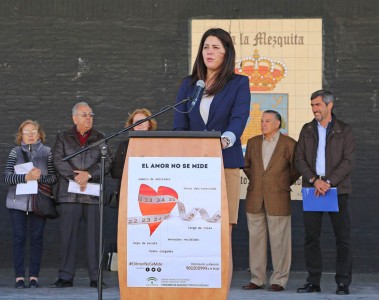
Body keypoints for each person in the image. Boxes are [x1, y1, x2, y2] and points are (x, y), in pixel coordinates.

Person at [173, 28, 251, 289]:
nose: (210, 51)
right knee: (191, 226)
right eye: (206, 46)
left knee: (221, 231)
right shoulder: (189, 84)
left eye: (216, 47)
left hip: (224, 164)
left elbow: (239, 118)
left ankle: (220, 290)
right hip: (192, 167)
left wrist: (225, 140)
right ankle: (193, 285)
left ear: (226, 52)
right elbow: (179, 124)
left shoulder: (239, 83)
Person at [295, 90, 355, 295]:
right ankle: (313, 282)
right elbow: (299, 159)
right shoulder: (307, 129)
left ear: (330, 106)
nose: (314, 109)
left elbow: (348, 161)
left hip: (336, 190)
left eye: (318, 105)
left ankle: (343, 283)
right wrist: (315, 180)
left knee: (342, 238)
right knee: (311, 237)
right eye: (312, 105)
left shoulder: (343, 130)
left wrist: (328, 182)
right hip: (313, 189)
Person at [50, 102, 112, 288]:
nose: (88, 118)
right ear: (74, 118)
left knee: (95, 238)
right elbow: (57, 160)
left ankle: (96, 277)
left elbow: (107, 162)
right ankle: (65, 277)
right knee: (68, 237)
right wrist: (76, 177)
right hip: (69, 194)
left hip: (92, 195)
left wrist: (89, 174)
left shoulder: (100, 138)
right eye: (84, 115)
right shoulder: (63, 137)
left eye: (91, 115)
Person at [242, 110, 300, 292]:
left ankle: (279, 280)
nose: (263, 124)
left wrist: (281, 183)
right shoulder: (252, 142)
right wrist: (260, 182)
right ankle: (257, 279)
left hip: (278, 197)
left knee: (280, 241)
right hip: (255, 197)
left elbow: (295, 170)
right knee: (256, 241)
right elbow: (247, 167)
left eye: (267, 121)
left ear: (277, 124)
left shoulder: (289, 144)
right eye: (262, 121)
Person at [3, 120, 57, 288]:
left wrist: (40, 177)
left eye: (34, 131)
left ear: (39, 134)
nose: (31, 135)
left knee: (36, 239)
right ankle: (19, 277)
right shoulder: (15, 152)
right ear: (21, 136)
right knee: (19, 239)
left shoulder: (48, 152)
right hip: (17, 204)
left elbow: (54, 178)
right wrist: (26, 178)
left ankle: (34, 277)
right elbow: (7, 177)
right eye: (27, 132)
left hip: (38, 203)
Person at [111, 108, 157, 180]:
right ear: (132, 125)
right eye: (136, 121)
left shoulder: (157, 145)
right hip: (127, 187)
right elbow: (115, 173)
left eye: (143, 121)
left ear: (149, 124)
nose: (139, 124)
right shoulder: (124, 146)